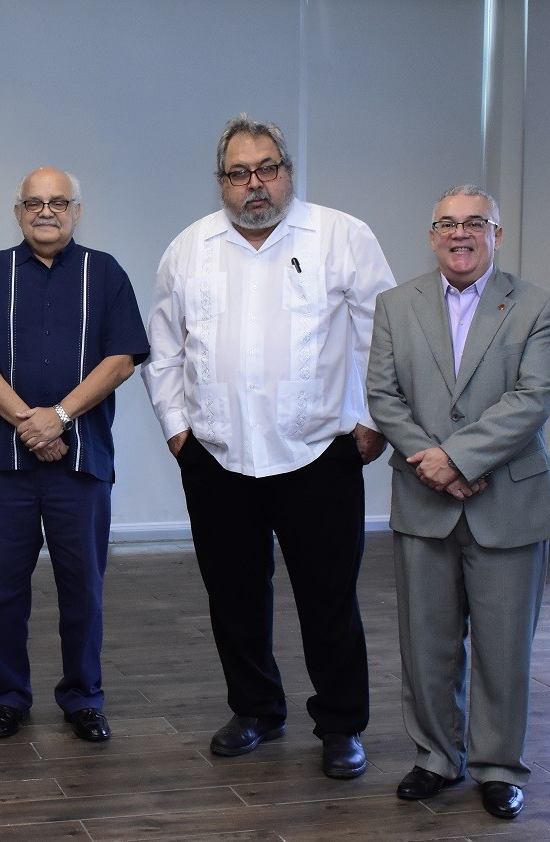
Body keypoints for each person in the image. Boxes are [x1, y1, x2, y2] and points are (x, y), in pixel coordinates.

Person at [141, 114, 395, 778]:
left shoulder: (342, 237)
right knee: (233, 596)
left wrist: (373, 420)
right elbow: (163, 349)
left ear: (288, 171)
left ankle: (341, 725)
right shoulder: (189, 249)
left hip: (321, 454)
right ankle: (256, 709)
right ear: (221, 181)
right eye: (239, 173)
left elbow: (383, 336)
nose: (254, 184)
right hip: (217, 456)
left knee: (329, 598)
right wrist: (177, 431)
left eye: (266, 169)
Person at [367, 185, 550, 819]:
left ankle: (499, 766)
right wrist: (433, 462)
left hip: (508, 503)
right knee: (427, 645)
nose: (461, 233)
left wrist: (457, 459)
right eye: (448, 223)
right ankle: (435, 757)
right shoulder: (396, 305)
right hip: (423, 501)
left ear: (496, 235)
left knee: (504, 650)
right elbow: (383, 396)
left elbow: (533, 398)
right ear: (432, 236)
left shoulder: (538, 306)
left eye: (475, 222)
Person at [0, 167, 149, 743]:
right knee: (3, 588)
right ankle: (8, 698)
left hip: (82, 462)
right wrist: (30, 422)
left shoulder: (105, 273)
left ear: (76, 212)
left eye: (58, 202)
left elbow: (122, 359)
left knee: (83, 587)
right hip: (4, 464)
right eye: (34, 202)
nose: (46, 211)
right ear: (18, 212)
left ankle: (83, 697)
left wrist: (59, 417)